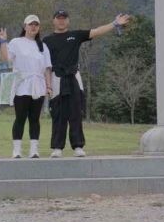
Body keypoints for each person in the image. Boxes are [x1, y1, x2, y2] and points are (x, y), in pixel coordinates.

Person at [43, 9, 131, 158]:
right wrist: (48, 85)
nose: (61, 21)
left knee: (76, 113)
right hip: (57, 78)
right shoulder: (47, 40)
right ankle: (57, 147)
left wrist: (114, 23)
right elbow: (46, 66)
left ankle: (78, 146)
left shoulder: (75, 35)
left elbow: (96, 32)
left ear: (68, 21)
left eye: (64, 18)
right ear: (54, 21)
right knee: (58, 114)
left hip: (74, 77)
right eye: (58, 18)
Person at [0, 14, 53, 158]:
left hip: (38, 85)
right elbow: (6, 58)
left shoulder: (43, 46)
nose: (33, 27)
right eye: (31, 24)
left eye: (36, 24)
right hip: (22, 84)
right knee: (20, 117)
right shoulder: (16, 42)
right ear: (25, 27)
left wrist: (49, 86)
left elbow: (48, 68)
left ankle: (34, 149)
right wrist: (3, 41)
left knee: (35, 119)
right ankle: (17, 150)